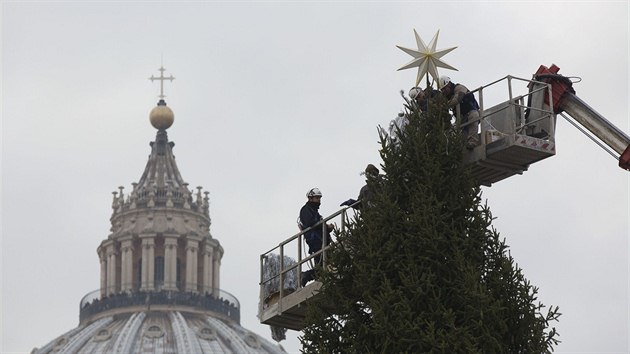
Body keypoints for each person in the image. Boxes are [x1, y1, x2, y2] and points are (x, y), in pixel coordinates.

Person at [299, 187, 333, 286]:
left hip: (321, 239)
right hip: (315, 240)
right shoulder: (306, 210)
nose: (319, 200)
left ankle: (312, 276)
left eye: (319, 198)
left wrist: (327, 228)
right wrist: (324, 225)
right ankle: (307, 275)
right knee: (322, 264)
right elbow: (310, 222)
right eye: (316, 198)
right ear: (310, 198)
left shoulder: (313, 210)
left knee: (326, 263)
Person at [439, 75, 481, 149]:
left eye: (444, 89)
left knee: (474, 116)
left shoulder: (459, 88)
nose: (443, 91)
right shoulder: (446, 96)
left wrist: (445, 105)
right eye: (442, 90)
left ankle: (473, 142)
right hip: (461, 117)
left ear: (449, 85)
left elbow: (457, 99)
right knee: (452, 130)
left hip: (471, 112)